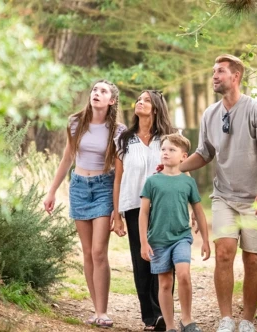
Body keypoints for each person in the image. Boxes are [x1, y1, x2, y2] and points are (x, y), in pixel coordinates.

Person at [180, 54, 257, 332]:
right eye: (213, 71)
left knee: (252, 259)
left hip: (255, 199)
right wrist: (175, 167)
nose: (214, 76)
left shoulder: (256, 110)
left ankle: (247, 320)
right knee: (224, 252)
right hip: (224, 195)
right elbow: (204, 154)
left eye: (220, 71)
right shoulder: (209, 114)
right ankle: (226, 318)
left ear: (235, 76)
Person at [43, 79, 126, 328]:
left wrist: (117, 207)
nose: (96, 93)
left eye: (103, 91)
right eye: (94, 90)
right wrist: (52, 191)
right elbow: (68, 157)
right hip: (79, 186)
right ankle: (95, 309)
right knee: (88, 252)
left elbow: (120, 172)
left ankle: (103, 312)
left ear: (111, 100)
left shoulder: (118, 130)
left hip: (103, 187)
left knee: (100, 251)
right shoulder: (75, 122)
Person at [111, 90, 177, 331]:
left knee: (164, 258)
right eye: (139, 99)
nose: (140, 102)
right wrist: (116, 213)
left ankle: (163, 312)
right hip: (134, 205)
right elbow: (118, 178)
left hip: (164, 205)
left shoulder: (168, 138)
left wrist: (189, 206)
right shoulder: (124, 139)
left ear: (156, 107)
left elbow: (181, 170)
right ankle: (150, 316)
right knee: (142, 259)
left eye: (146, 100)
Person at [139, 133, 211, 332]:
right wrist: (144, 242)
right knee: (164, 283)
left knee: (184, 274)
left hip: (181, 237)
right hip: (158, 239)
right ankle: (170, 326)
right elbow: (143, 214)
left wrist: (206, 240)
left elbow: (198, 211)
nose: (166, 153)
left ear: (183, 156)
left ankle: (187, 320)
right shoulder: (152, 182)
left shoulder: (188, 182)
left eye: (172, 150)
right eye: (163, 149)